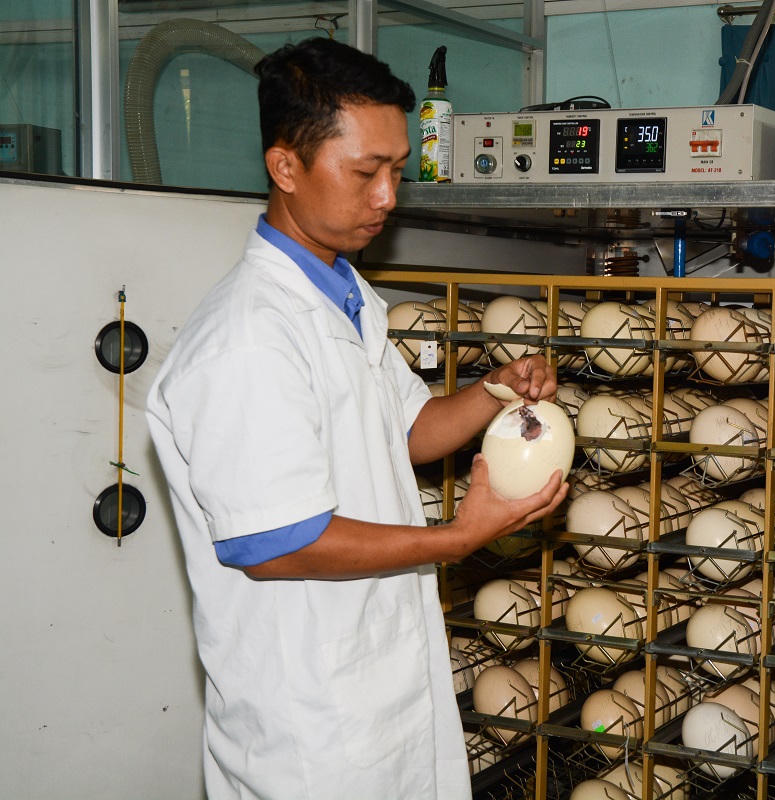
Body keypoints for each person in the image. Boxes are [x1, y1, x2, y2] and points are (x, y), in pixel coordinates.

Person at [146, 37, 567, 799]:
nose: (387, 197)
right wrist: (459, 538)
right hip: (312, 725)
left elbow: (407, 433)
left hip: (381, 686)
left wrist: (494, 392)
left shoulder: (346, 294)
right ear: (286, 167)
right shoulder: (248, 339)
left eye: (397, 171)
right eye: (366, 172)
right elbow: (277, 543)